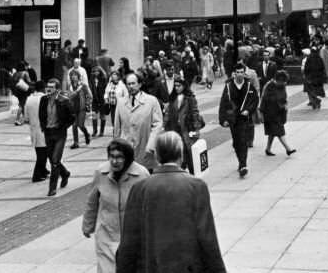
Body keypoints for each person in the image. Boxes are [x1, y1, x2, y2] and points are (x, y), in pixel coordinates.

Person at [114, 131, 226, 273]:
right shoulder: (197, 187)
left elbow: (129, 240)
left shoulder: (139, 188)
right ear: (181, 154)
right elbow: (207, 238)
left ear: (157, 156)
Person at [83, 138, 150, 273]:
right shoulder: (101, 173)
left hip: (131, 238)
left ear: (128, 158)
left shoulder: (142, 175)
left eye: (119, 157)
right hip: (106, 235)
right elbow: (92, 201)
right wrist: (87, 225)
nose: (114, 161)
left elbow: (149, 208)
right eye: (112, 157)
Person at [113, 73, 163, 170]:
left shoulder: (151, 101)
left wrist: (151, 145)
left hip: (145, 148)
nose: (131, 86)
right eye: (128, 84)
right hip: (126, 149)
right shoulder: (121, 102)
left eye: (133, 83)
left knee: (145, 178)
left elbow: (157, 125)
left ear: (140, 84)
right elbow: (117, 128)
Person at [219, 62, 259, 178]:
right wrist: (223, 119)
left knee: (243, 141)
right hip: (232, 118)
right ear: (234, 74)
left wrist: (248, 110)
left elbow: (254, 100)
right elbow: (223, 103)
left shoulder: (248, 86)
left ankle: (243, 165)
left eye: (242, 72)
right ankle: (241, 161)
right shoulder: (228, 86)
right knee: (236, 142)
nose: (240, 75)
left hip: (243, 118)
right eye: (238, 72)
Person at [39, 78, 74, 196]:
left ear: (57, 89)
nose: (49, 89)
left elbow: (72, 116)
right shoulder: (43, 100)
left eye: (52, 87)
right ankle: (64, 173)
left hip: (59, 134)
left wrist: (63, 127)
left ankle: (52, 188)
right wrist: (43, 127)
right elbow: (41, 115)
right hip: (48, 133)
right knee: (51, 158)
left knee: (55, 161)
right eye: (48, 86)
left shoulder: (64, 101)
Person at [162, 76, 204, 174]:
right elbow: (167, 114)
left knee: (191, 156)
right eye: (175, 86)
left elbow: (195, 113)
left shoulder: (190, 99)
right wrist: (164, 126)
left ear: (184, 86)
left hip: (187, 130)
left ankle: (193, 174)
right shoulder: (172, 99)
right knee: (178, 154)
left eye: (179, 86)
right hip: (176, 131)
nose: (177, 88)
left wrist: (197, 129)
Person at [259, 70, 295, 156]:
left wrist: (285, 104)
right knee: (279, 132)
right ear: (278, 80)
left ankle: (268, 149)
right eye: (282, 82)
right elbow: (263, 100)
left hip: (279, 113)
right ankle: (288, 149)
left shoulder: (282, 86)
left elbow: (285, 97)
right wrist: (261, 114)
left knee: (272, 133)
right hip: (269, 113)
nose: (284, 84)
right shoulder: (269, 86)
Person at [25, 80, 48, 182]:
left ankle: (43, 171)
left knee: (40, 152)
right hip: (44, 130)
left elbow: (26, 118)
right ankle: (37, 175)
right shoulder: (45, 99)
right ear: (44, 88)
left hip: (34, 130)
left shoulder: (29, 99)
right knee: (43, 154)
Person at [68, 69, 93, 148]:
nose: (73, 77)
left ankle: (87, 134)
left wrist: (87, 104)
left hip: (82, 108)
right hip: (73, 108)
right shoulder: (71, 86)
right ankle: (76, 143)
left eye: (75, 75)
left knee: (80, 125)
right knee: (74, 125)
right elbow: (70, 97)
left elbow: (89, 95)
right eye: (72, 75)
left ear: (78, 76)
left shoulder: (83, 85)